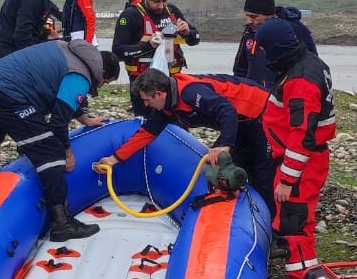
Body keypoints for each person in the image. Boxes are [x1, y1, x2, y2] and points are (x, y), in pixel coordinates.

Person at [0, 39, 121, 241]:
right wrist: (67, 153)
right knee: (51, 152)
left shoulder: (68, 51)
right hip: (8, 96)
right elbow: (59, 122)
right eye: (106, 82)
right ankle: (61, 223)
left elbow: (62, 94)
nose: (101, 86)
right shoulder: (82, 75)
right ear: (103, 74)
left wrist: (84, 118)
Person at [94, 67, 274, 210]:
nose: (146, 105)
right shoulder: (165, 107)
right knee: (234, 167)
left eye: (147, 100)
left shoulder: (190, 93)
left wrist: (225, 144)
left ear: (159, 94)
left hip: (261, 112)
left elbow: (226, 110)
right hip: (239, 121)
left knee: (262, 171)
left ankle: (272, 227)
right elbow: (146, 134)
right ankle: (245, 211)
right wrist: (113, 159)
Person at [253, 18, 335, 279]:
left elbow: (302, 134)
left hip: (300, 166)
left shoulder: (301, 79)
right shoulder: (309, 62)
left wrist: (287, 179)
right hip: (300, 162)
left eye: (265, 49)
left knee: (295, 233)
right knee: (295, 229)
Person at [110, 0, 199, 112]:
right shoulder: (130, 15)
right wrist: (148, 45)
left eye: (164, 1)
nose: (161, 6)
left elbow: (195, 40)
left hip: (172, 82)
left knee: (175, 123)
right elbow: (117, 51)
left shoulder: (172, 11)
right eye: (156, 2)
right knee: (147, 125)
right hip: (143, 85)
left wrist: (188, 33)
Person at [233, 0, 318, 89]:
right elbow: (240, 68)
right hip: (252, 97)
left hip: (282, 96)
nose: (249, 21)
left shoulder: (296, 30)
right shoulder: (249, 31)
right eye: (247, 16)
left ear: (269, 14)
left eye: (254, 17)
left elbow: (313, 65)